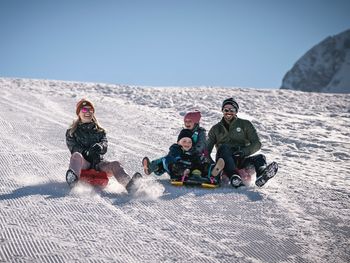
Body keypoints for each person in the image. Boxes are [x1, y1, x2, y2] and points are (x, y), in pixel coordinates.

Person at [65, 98, 142, 192]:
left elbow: (104, 144)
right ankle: (73, 179)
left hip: (99, 164)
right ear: (79, 113)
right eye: (84, 109)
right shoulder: (72, 132)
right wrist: (86, 152)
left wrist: (100, 147)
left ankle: (129, 185)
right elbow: (73, 147)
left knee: (116, 164)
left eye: (90, 109)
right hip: (83, 163)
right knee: (76, 155)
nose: (88, 112)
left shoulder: (100, 131)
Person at [206, 98, 278, 187]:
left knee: (260, 158)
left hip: (241, 159)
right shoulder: (215, 129)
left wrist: (243, 152)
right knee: (224, 147)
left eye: (232, 110)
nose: (228, 112)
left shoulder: (245, 125)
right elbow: (206, 151)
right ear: (222, 110)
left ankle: (262, 174)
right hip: (223, 161)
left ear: (236, 111)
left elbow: (257, 143)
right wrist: (211, 166)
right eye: (226, 110)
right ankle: (234, 177)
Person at [142, 110, 210, 176]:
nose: (187, 123)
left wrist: (194, 150)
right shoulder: (184, 131)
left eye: (190, 121)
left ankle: (208, 171)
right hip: (182, 156)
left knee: (201, 163)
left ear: (196, 122)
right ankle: (151, 168)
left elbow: (201, 145)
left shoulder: (200, 132)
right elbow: (179, 143)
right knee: (166, 159)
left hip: (195, 155)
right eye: (185, 121)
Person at [143, 129, 224, 183]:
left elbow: (197, 160)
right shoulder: (175, 148)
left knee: (203, 165)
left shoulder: (193, 151)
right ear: (178, 142)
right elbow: (173, 157)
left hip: (190, 168)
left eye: (189, 142)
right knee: (165, 161)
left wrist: (202, 162)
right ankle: (151, 167)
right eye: (184, 141)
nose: (187, 143)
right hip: (176, 168)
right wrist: (181, 165)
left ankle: (213, 173)